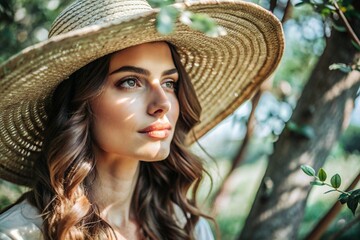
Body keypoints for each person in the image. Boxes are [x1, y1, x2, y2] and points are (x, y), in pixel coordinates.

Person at [0, 0, 284, 239]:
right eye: (131, 81)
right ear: (79, 102)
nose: (162, 104)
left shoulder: (186, 226)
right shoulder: (19, 233)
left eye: (170, 83)